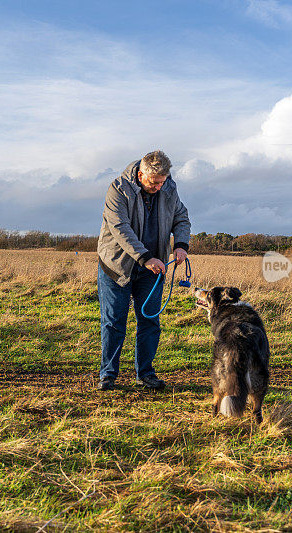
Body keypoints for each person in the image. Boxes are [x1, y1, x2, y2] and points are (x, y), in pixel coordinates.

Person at [96, 150, 191, 391]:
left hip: (153, 269)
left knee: (149, 321)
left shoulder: (168, 188)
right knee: (114, 322)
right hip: (117, 266)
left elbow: (181, 217)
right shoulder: (118, 189)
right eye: (153, 182)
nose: (158, 187)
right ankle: (108, 375)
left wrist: (180, 245)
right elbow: (120, 228)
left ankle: (145, 374)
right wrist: (145, 257)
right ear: (141, 174)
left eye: (162, 181)